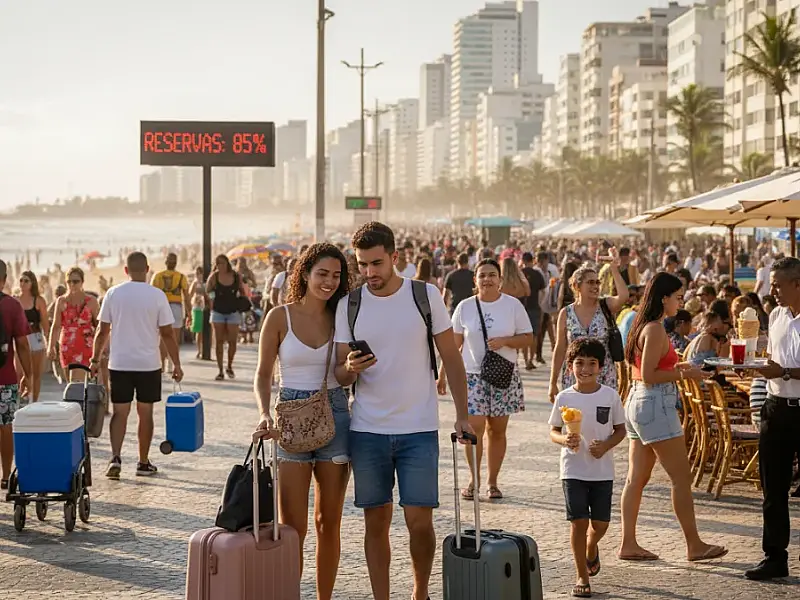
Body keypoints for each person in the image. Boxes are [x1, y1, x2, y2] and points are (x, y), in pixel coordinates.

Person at [333, 222, 473, 600]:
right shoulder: (351, 304)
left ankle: (420, 592)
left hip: (419, 427)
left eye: (376, 263)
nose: (369, 273)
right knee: (374, 523)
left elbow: (452, 359)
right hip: (367, 429)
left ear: (396, 257)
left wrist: (462, 414)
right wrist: (351, 367)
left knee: (419, 523)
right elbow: (338, 370)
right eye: (362, 265)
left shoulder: (425, 296)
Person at [254, 243, 351, 600]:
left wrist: (352, 371)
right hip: (289, 420)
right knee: (292, 527)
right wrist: (264, 412)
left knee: (328, 523)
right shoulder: (280, 317)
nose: (328, 282)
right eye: (322, 273)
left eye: (336, 275)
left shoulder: (342, 316)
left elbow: (344, 374)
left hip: (335, 415)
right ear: (305, 273)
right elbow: (263, 374)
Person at [619, 272, 727, 563]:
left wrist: (677, 363)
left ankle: (628, 543)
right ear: (664, 297)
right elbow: (653, 375)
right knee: (681, 477)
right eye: (678, 297)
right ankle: (694, 545)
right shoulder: (654, 329)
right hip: (654, 402)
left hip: (638, 401)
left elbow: (645, 370)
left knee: (636, 479)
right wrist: (684, 372)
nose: (681, 302)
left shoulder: (643, 326)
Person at [438, 258, 532, 501]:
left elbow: (528, 337)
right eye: (482, 276)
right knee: (474, 428)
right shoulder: (465, 307)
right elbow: (453, 346)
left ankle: (492, 482)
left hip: (503, 374)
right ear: (475, 280)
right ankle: (474, 479)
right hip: (472, 376)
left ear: (500, 279)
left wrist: (505, 341)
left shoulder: (512, 306)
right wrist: (442, 376)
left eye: (492, 275)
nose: (487, 279)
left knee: (497, 430)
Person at [90, 252, 183, 480]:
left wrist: (94, 359)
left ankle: (116, 458)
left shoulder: (113, 293)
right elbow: (168, 334)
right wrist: (176, 364)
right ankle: (142, 462)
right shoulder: (157, 295)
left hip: (119, 363)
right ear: (148, 269)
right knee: (145, 413)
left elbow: (102, 331)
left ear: (126, 270)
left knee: (120, 413)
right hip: (148, 364)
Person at [549, 338, 626, 599]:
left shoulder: (610, 396)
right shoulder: (564, 397)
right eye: (579, 363)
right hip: (573, 470)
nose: (585, 369)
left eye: (591, 363)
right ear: (570, 367)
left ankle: (592, 546)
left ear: (601, 367)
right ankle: (582, 575)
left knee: (601, 524)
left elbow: (620, 430)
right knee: (578, 522)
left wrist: (605, 446)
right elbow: (553, 431)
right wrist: (564, 440)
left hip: (602, 471)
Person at [745, 257, 800, 580]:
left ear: (797, 284)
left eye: (778, 284)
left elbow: (785, 367)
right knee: (773, 489)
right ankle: (775, 557)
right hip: (776, 407)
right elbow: (775, 359)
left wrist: (786, 372)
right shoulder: (776, 316)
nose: (772, 290)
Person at [549, 256, 629, 404]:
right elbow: (560, 348)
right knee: (575, 420)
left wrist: (613, 268)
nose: (596, 286)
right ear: (577, 286)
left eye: (597, 282)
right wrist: (552, 382)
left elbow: (624, 296)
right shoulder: (566, 313)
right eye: (590, 282)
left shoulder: (605, 306)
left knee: (602, 422)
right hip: (574, 375)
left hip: (603, 374)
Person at [0, 260, 32, 490]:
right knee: (6, 425)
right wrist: (28, 375)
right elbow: (22, 344)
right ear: (5, 278)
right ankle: (5, 475)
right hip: (5, 378)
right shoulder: (12, 306)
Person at [48, 267, 99, 382]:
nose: (72, 284)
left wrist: (101, 349)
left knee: (76, 384)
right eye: (69, 282)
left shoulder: (91, 302)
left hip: (85, 346)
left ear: (82, 282)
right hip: (66, 346)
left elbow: (99, 326)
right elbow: (56, 326)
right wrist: (50, 346)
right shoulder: (61, 301)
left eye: (75, 281)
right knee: (70, 384)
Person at [207, 254, 247, 381]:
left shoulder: (235, 276)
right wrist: (211, 301)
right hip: (218, 311)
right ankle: (220, 370)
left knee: (232, 341)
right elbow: (207, 290)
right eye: (218, 263)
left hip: (233, 311)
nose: (220, 266)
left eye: (222, 263)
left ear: (227, 264)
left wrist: (242, 300)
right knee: (218, 341)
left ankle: (229, 365)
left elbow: (242, 290)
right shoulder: (214, 276)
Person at [151, 253, 191, 371]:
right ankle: (172, 363)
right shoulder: (181, 277)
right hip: (176, 307)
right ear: (176, 263)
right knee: (174, 337)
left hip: (161, 306)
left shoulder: (157, 276)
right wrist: (189, 313)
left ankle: (162, 364)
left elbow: (152, 294)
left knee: (162, 336)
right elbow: (186, 296)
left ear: (166, 262)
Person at [14, 270, 49, 402]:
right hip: (19, 338)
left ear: (32, 283)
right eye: (21, 280)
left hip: (35, 337)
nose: (23, 283)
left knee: (35, 373)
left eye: (26, 280)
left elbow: (45, 323)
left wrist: (50, 343)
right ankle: (19, 399)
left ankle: (34, 401)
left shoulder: (38, 301)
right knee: (19, 371)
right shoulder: (15, 300)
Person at [520, 252, 545, 371]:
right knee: (534, 335)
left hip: (521, 307)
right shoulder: (537, 274)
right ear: (533, 260)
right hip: (535, 306)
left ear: (523, 260)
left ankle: (525, 360)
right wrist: (540, 303)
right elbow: (543, 291)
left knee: (523, 335)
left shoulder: (520, 274)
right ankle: (530, 359)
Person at [188, 266, 207, 359]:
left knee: (204, 330)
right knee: (199, 330)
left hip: (204, 307)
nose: (199, 275)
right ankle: (199, 350)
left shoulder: (205, 282)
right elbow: (190, 294)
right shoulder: (195, 283)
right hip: (197, 307)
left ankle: (203, 349)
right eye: (198, 273)